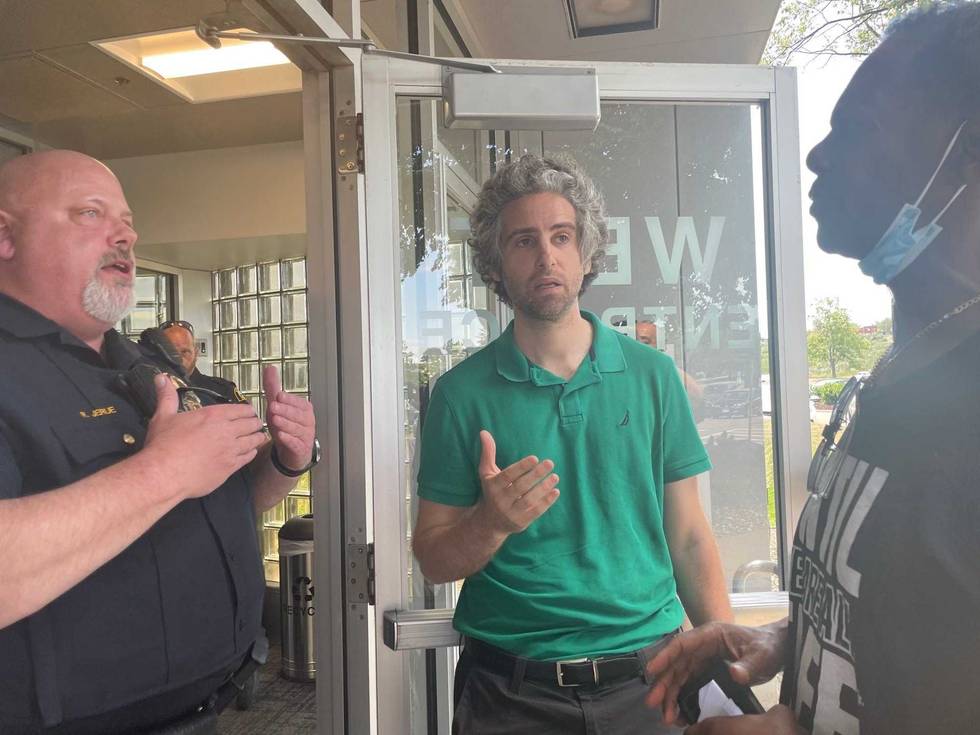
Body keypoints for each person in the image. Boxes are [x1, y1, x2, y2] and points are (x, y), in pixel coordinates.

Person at [644, 5, 980, 734]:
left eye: (859, 130)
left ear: (967, 151)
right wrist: (783, 640)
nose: (817, 156)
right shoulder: (892, 376)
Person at [412, 154, 732, 734]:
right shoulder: (459, 395)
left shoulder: (654, 376)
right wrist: (491, 522)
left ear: (586, 255)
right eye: (523, 241)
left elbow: (687, 535)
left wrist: (727, 656)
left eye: (562, 237)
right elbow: (433, 555)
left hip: (651, 681)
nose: (546, 257)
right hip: (508, 696)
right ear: (496, 264)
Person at [0, 150, 319, 734]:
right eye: (91, 214)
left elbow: (223, 503)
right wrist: (162, 471)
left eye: (127, 220)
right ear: (5, 235)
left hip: (209, 710)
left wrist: (285, 460)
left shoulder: (147, 366)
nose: (126, 235)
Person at [162, 319, 243, 403]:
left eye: (184, 352)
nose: (178, 358)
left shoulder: (222, 391)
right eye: (170, 352)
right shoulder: (149, 393)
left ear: (196, 353)